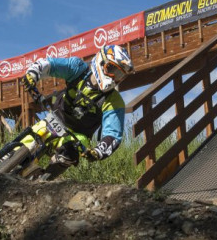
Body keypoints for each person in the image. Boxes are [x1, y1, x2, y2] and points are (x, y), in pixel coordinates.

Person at [22, 44, 134, 179]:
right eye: (113, 71)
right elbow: (51, 65)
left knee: (68, 155)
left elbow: (113, 134)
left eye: (120, 75)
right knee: (26, 144)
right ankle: (1, 164)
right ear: (102, 62)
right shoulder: (78, 69)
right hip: (55, 119)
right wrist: (33, 74)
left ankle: (43, 183)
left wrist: (98, 151)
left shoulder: (114, 101)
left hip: (78, 135)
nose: (115, 78)